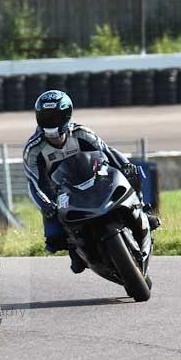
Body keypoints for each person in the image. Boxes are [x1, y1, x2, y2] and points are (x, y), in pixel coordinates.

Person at [23, 90, 160, 274]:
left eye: (56, 116)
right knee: (54, 239)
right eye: (46, 116)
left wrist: (126, 166)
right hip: (63, 193)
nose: (51, 121)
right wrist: (47, 204)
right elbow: (34, 183)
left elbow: (108, 152)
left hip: (96, 180)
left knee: (132, 174)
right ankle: (76, 250)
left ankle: (141, 209)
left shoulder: (81, 133)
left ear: (67, 115)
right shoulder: (33, 149)